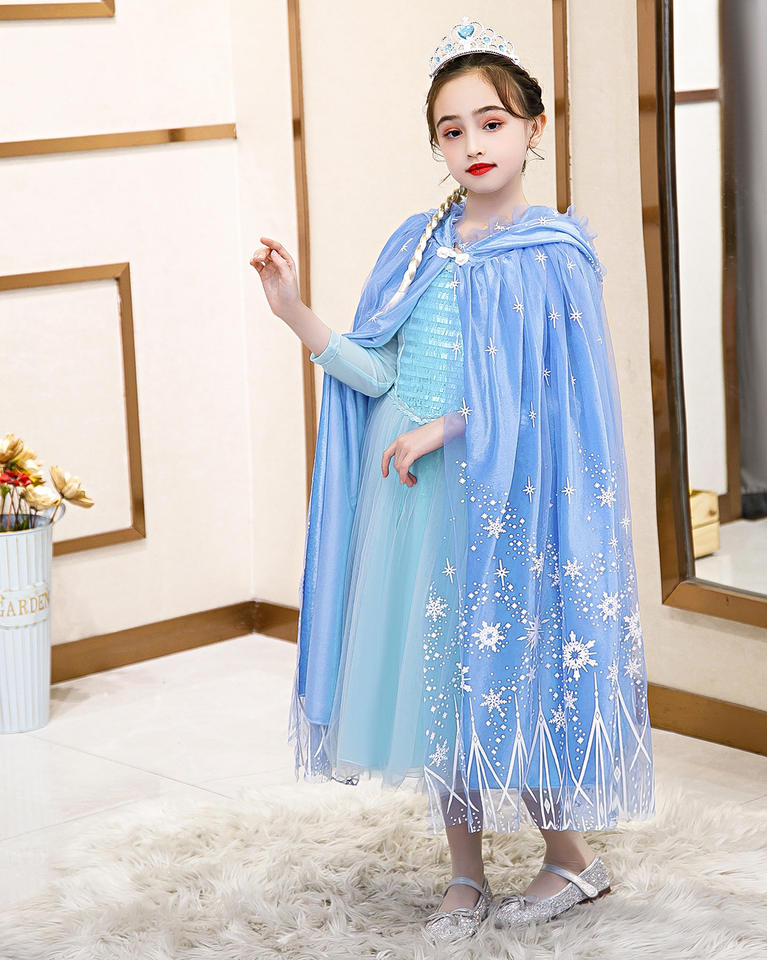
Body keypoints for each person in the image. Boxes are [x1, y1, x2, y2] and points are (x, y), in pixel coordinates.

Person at [249, 15, 655, 944]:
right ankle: (464, 874)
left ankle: (571, 856)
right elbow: (378, 371)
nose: (474, 142)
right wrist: (295, 312)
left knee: (501, 672)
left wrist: (447, 427)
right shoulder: (421, 241)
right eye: (452, 128)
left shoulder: (552, 253)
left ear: (535, 128)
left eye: (493, 122)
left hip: (498, 500)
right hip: (413, 502)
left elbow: (557, 400)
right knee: (438, 686)